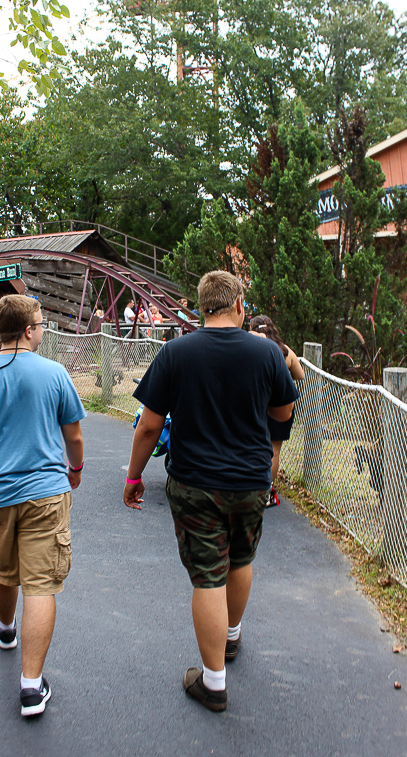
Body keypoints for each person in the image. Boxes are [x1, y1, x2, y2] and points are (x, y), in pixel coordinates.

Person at [123, 271, 298, 712]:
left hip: (195, 483)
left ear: (203, 307)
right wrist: (265, 441)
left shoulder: (176, 353)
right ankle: (232, 637)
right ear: (239, 304)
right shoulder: (266, 352)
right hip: (251, 482)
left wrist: (133, 476)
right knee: (241, 558)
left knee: (208, 576)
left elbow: (148, 426)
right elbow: (284, 407)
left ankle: (214, 682)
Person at [0, 294, 86, 717]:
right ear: (28, 330)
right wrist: (75, 468)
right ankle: (30, 687)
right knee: (41, 584)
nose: (43, 328)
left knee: (3, 570)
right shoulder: (55, 374)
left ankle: (5, 628)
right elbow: (74, 437)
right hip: (46, 494)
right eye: (41, 322)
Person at [250, 315, 305, 506]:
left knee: (253, 445)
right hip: (282, 404)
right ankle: (268, 490)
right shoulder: (285, 351)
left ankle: (250, 485)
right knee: (274, 450)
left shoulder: (252, 350)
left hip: (257, 403)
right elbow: (301, 374)